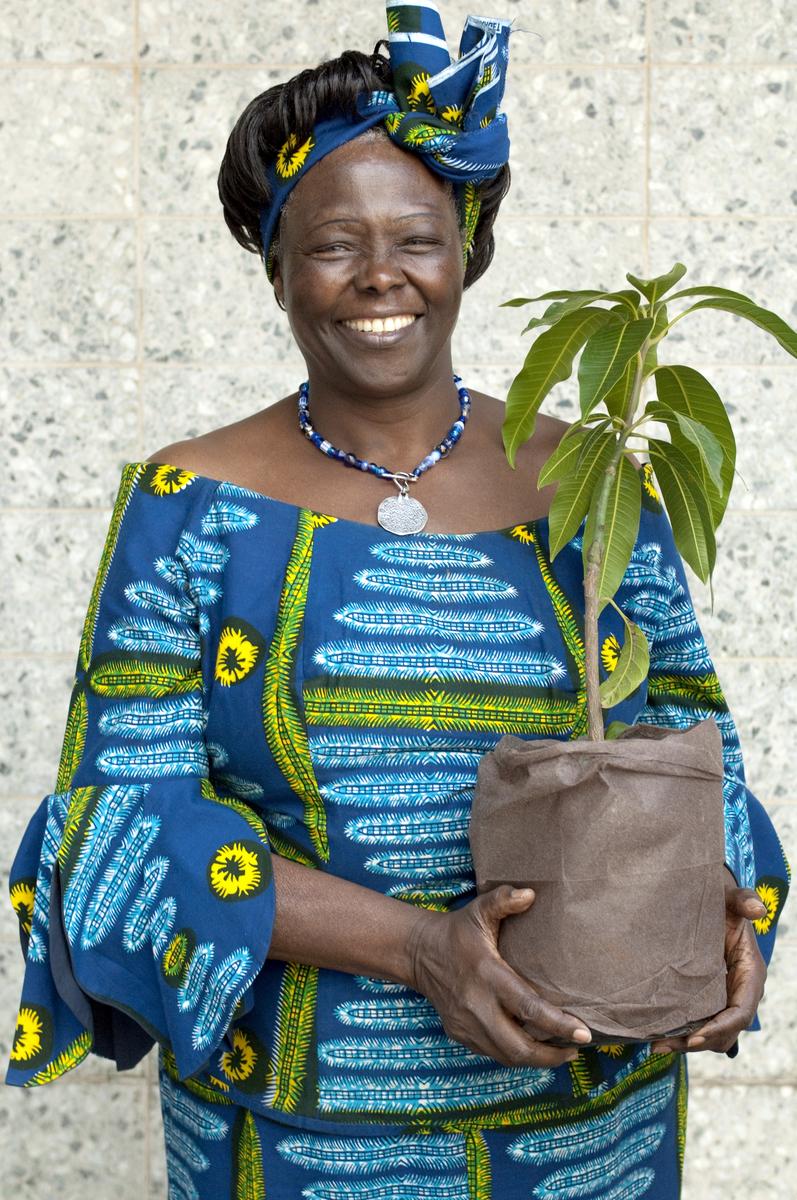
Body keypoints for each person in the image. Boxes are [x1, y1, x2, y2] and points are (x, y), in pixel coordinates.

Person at [5, 3, 788, 1197]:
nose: (380, 276)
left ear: (464, 251)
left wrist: (728, 919)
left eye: (415, 238)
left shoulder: (591, 481)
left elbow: (692, 757)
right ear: (275, 267)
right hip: (302, 1141)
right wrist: (420, 949)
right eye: (332, 244)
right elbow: (121, 826)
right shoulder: (186, 505)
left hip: (587, 1129)